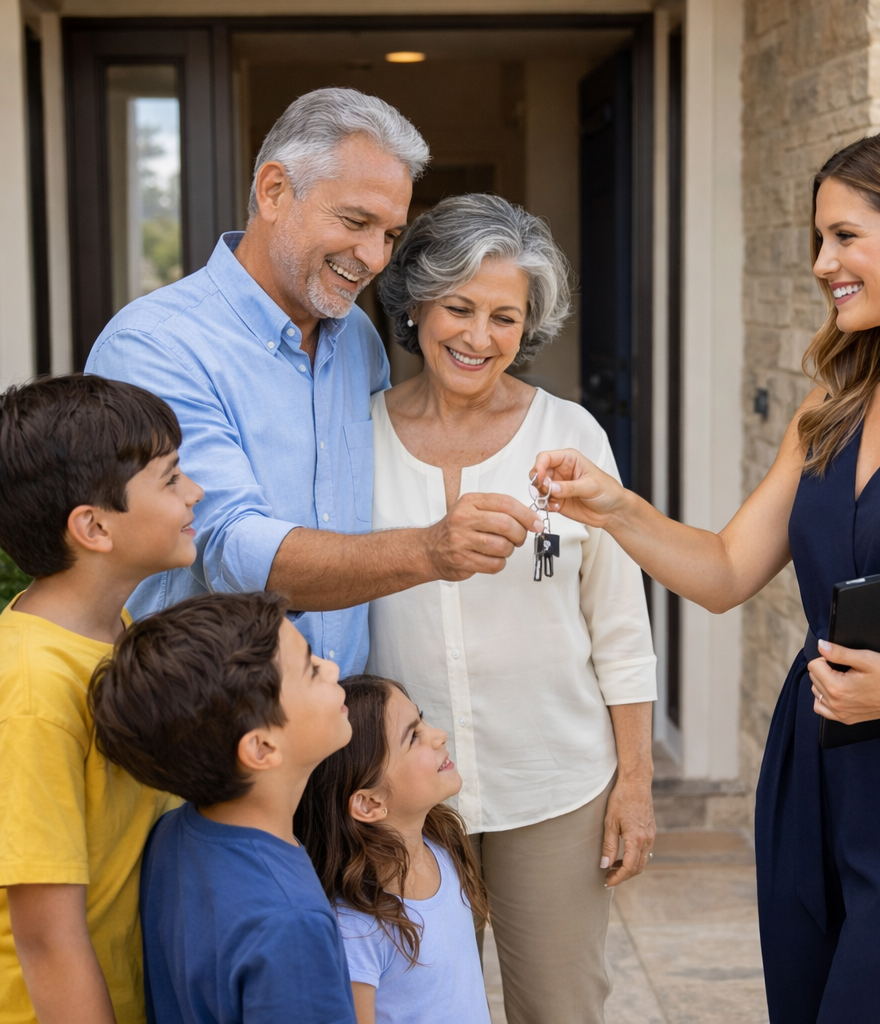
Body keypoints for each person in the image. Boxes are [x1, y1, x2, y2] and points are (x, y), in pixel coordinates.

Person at [532, 125, 880, 1024]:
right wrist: (614, 507)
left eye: (844, 236)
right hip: (811, 775)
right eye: (817, 239)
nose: (821, 262)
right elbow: (724, 571)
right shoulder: (830, 406)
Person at [86, 87, 541, 671]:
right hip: (212, 729)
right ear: (273, 190)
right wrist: (432, 549)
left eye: (390, 235)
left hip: (343, 723)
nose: (375, 257)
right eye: (356, 221)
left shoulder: (357, 340)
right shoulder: (156, 346)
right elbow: (229, 549)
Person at [366, 192, 658, 1024]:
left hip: (552, 785)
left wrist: (634, 783)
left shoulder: (569, 435)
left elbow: (620, 627)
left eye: (505, 316)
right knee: (413, 1008)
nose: (478, 336)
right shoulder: (357, 435)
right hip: (400, 798)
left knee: (561, 1008)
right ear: (416, 303)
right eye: (458, 307)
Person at [0, 374, 202, 1024]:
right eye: (171, 479)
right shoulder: (31, 687)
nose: (195, 492)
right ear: (93, 527)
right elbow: (45, 934)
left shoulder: (119, 635)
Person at [89, 591, 356, 1024]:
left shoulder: (173, 836)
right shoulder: (291, 924)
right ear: (262, 747)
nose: (333, 667)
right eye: (310, 669)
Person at [295, 675, 490, 1024]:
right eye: (413, 736)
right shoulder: (357, 929)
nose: (438, 735)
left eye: (423, 719)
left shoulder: (442, 844)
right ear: (369, 803)